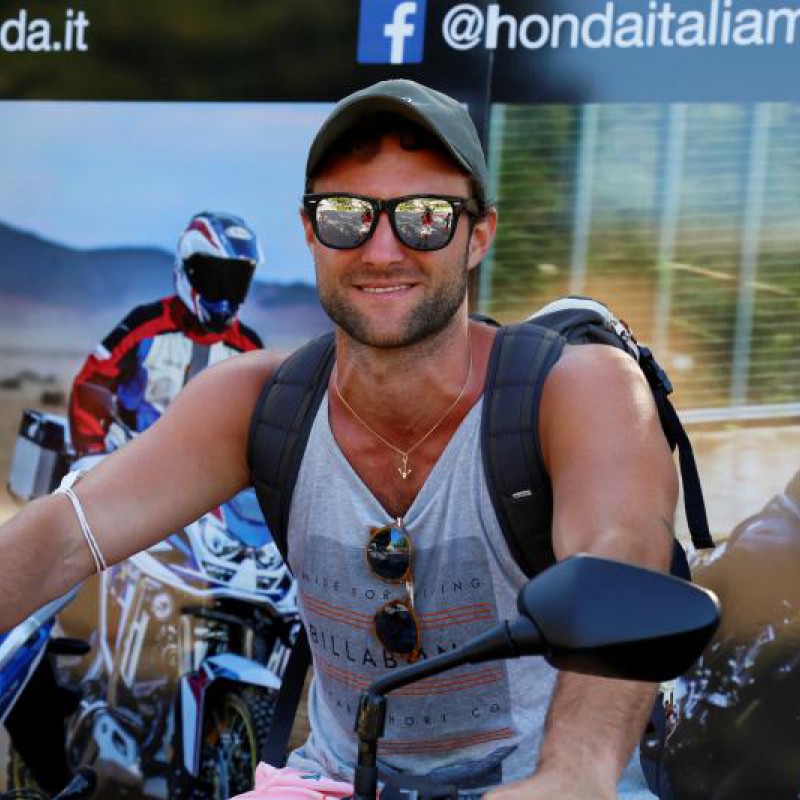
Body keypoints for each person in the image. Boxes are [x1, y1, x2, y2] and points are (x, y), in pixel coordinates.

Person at [0, 80, 675, 799]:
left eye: (424, 217)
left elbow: (620, 564)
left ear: (478, 234)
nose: (382, 250)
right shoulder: (260, 401)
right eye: (346, 215)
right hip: (333, 783)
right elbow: (65, 533)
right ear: (310, 231)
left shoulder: (573, 389)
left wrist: (574, 773)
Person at [69, 210, 264, 455]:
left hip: (206, 470)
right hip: (128, 458)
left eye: (236, 282)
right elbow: (92, 383)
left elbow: (261, 424)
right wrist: (92, 451)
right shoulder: (144, 325)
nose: (225, 294)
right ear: (187, 270)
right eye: (215, 279)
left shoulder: (248, 348)